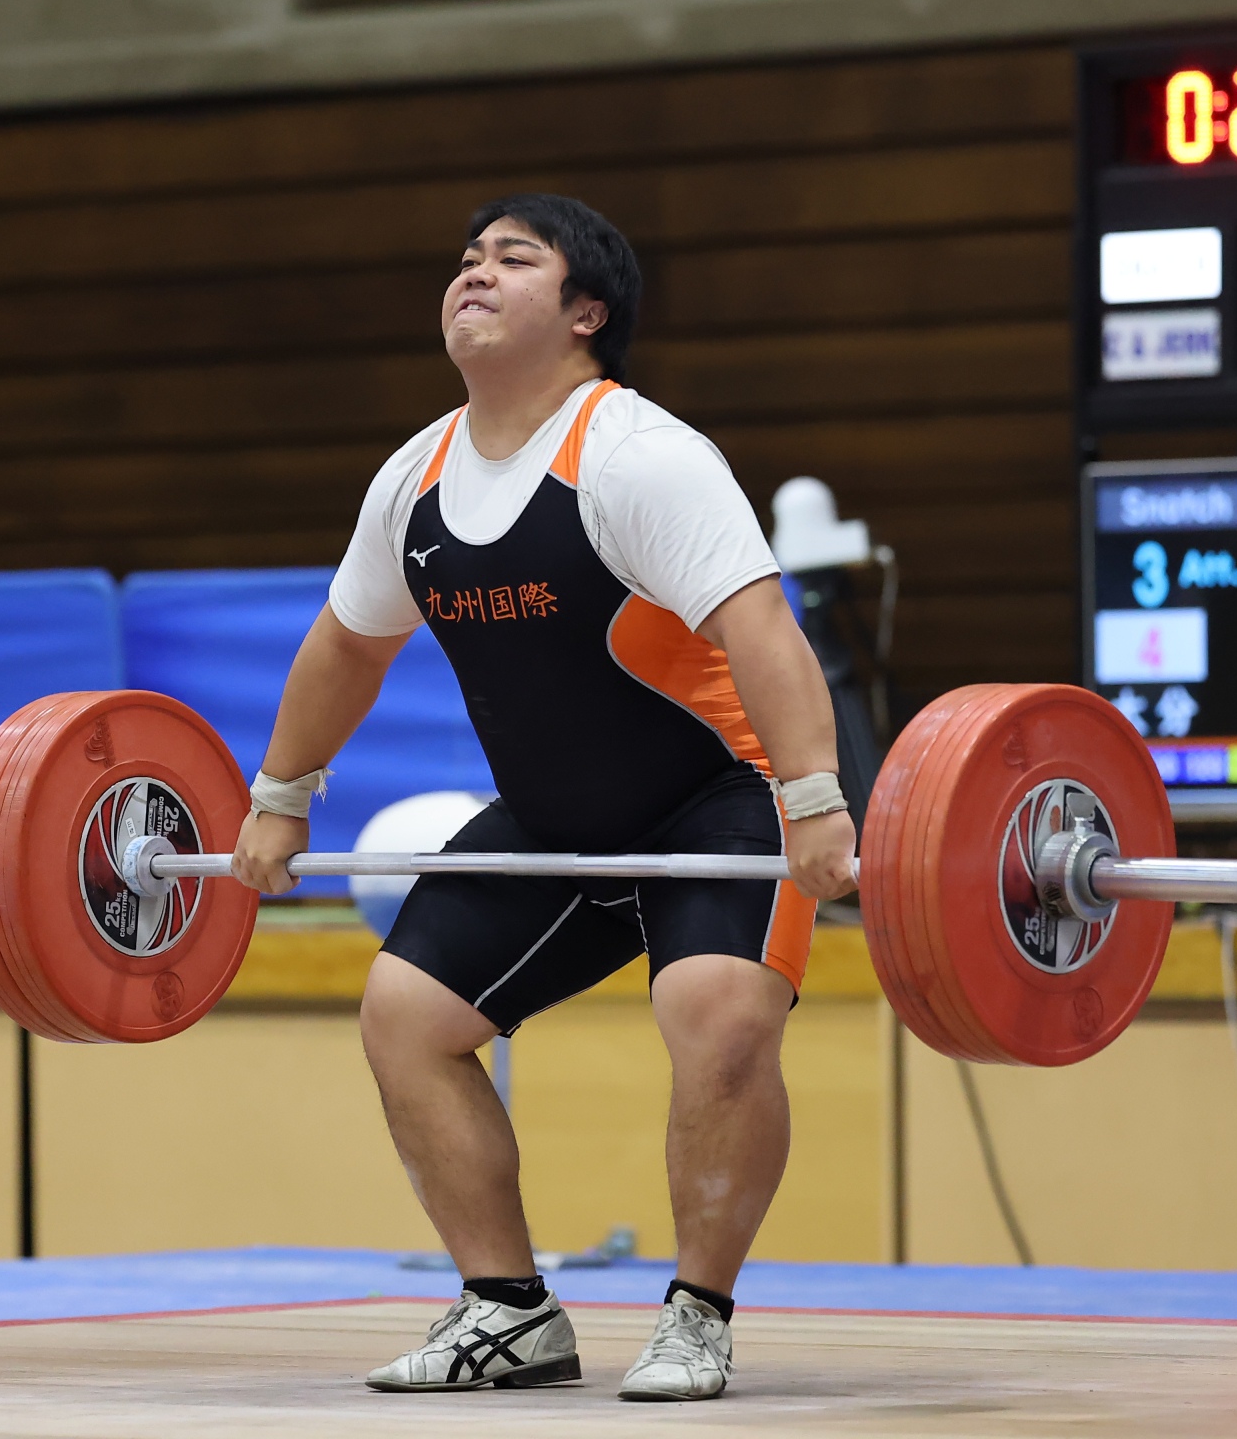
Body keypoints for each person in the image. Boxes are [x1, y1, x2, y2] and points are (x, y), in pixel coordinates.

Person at [231, 193, 859, 1402]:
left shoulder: (639, 457)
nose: (474, 272)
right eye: (467, 257)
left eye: (514, 258)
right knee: (406, 1017)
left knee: (719, 1015)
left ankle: (697, 1315)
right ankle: (509, 1310)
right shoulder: (415, 478)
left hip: (721, 799)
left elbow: (761, 629)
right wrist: (280, 795)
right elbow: (347, 646)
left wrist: (817, 799)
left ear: (586, 312)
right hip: (555, 818)